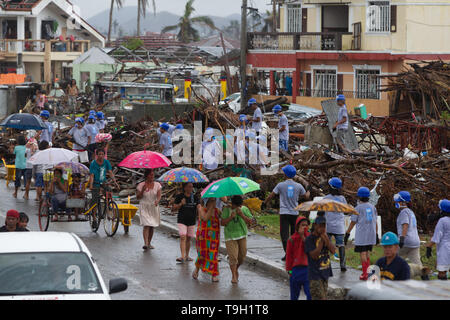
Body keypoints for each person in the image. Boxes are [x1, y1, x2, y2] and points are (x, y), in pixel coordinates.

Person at [264, 165, 310, 261]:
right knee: (294, 235)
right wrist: (309, 190)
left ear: (285, 174)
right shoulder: (299, 186)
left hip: (284, 213)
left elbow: (271, 195)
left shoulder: (280, 185)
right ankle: (291, 254)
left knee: (284, 236)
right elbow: (306, 196)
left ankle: (288, 254)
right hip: (295, 213)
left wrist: (264, 203)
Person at [344, 187, 378, 281]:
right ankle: (369, 272)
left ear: (359, 197)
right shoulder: (372, 207)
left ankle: (365, 274)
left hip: (362, 234)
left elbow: (353, 222)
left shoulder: (358, 208)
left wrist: (347, 233)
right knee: (367, 253)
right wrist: (376, 234)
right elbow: (375, 221)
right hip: (371, 234)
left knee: (362, 253)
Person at [221, 195, 254, 284]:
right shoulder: (226, 209)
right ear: (233, 204)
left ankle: (236, 269)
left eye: (240, 205)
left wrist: (241, 215)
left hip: (242, 235)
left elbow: (250, 221)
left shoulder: (244, 209)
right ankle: (234, 276)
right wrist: (230, 217)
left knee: (242, 257)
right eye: (237, 206)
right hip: (230, 236)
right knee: (233, 257)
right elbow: (222, 223)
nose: (239, 207)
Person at [305, 216, 335, 300]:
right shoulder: (309, 239)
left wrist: (327, 241)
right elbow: (314, 256)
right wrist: (321, 242)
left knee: (324, 296)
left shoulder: (326, 237)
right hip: (315, 274)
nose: (323, 228)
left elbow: (333, 251)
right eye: (320, 226)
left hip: (325, 272)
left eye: (324, 226)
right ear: (315, 225)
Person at [192, 197, 221, 282]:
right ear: (206, 202)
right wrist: (211, 208)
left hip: (214, 237)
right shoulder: (201, 209)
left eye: (215, 200)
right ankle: (197, 270)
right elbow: (205, 218)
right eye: (212, 201)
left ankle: (214, 274)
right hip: (203, 237)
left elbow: (223, 217)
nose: (214, 202)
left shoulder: (217, 210)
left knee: (213, 254)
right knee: (202, 254)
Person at [324, 177, 348, 272]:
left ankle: (326, 263)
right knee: (341, 245)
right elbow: (346, 210)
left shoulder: (326, 198)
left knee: (327, 245)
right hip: (339, 227)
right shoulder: (342, 199)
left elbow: (321, 211)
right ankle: (343, 264)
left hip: (328, 226)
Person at [172, 183, 199, 263]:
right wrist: (181, 204)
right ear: (184, 188)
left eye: (192, 186)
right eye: (189, 187)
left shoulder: (195, 197)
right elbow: (173, 209)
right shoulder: (179, 196)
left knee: (189, 238)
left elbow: (199, 206)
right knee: (183, 236)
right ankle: (182, 256)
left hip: (191, 220)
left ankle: (187, 255)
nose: (191, 188)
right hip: (182, 220)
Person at [286, 216, 311, 301]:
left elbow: (310, 249)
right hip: (295, 270)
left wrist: (302, 236)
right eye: (302, 225)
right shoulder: (292, 239)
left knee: (310, 294)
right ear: (297, 227)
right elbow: (289, 257)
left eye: (306, 225)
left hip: (308, 270)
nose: (305, 227)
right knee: (294, 295)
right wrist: (289, 271)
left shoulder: (310, 237)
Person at [136, 169, 162, 251]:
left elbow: (159, 195)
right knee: (146, 224)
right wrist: (142, 190)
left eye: (153, 175)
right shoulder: (141, 185)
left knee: (151, 226)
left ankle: (149, 243)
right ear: (147, 176)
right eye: (151, 175)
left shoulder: (157, 185)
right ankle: (146, 243)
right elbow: (138, 197)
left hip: (153, 207)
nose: (152, 176)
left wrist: (157, 201)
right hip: (144, 206)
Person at [394, 191, 421, 267]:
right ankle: (425, 277)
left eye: (398, 201)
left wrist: (402, 238)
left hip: (406, 241)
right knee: (417, 264)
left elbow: (405, 225)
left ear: (403, 202)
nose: (396, 202)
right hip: (415, 242)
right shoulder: (411, 212)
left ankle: (390, 274)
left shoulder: (404, 212)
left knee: (392, 257)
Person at [426, 200, 450, 280]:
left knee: (442, 272)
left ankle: (443, 290)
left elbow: (437, 237)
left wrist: (429, 247)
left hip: (444, 249)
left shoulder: (442, 221)